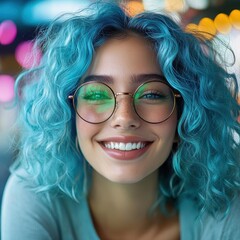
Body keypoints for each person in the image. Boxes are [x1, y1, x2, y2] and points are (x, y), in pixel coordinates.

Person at [1, 2, 240, 240]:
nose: (124, 118)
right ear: (69, 115)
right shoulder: (34, 197)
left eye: (151, 94)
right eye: (96, 94)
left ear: (184, 115)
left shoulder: (224, 206)